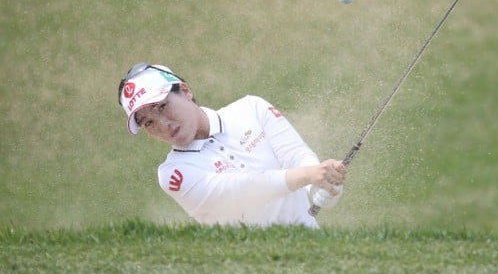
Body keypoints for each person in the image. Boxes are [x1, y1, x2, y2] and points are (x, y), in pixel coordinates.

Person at [118, 63, 346, 228]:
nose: (163, 124)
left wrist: (321, 184)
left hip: (314, 251)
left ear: (186, 91)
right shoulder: (173, 174)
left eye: (161, 107)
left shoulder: (251, 108)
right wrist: (308, 175)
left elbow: (296, 155)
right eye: (148, 122)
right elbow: (240, 191)